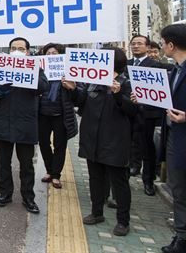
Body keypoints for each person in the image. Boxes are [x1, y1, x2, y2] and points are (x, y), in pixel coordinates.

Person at [75, 47, 136, 237]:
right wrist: (71, 89)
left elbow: (133, 112)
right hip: (91, 138)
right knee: (95, 177)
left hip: (115, 140)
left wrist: (118, 94)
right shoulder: (92, 82)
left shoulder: (127, 83)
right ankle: (96, 212)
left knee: (119, 181)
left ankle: (123, 221)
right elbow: (80, 103)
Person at [0, 37, 49, 214]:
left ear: (28, 51)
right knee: (3, 162)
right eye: (13, 48)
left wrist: (30, 72)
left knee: (26, 164)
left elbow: (44, 87)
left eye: (21, 48)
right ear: (8, 51)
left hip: (26, 123)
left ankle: (28, 197)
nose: (17, 51)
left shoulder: (36, 68)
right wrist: (1, 90)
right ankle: (5, 193)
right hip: (3, 121)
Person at [127, 35, 166, 195]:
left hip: (147, 114)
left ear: (147, 47)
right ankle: (132, 168)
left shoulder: (156, 66)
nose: (136, 46)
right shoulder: (126, 65)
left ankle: (148, 181)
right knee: (129, 145)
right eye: (133, 44)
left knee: (147, 148)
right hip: (127, 113)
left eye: (140, 44)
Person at [159, 24, 186, 253]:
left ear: (171, 44)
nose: (161, 47)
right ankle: (181, 236)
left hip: (182, 137)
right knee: (178, 190)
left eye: (162, 43)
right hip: (174, 139)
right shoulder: (175, 70)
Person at [38, 43, 78, 190]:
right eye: (48, 53)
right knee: (43, 143)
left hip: (61, 115)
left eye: (54, 53)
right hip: (42, 114)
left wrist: (71, 87)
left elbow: (77, 95)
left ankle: (56, 175)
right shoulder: (40, 72)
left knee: (60, 145)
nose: (51, 56)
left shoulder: (69, 73)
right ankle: (49, 170)